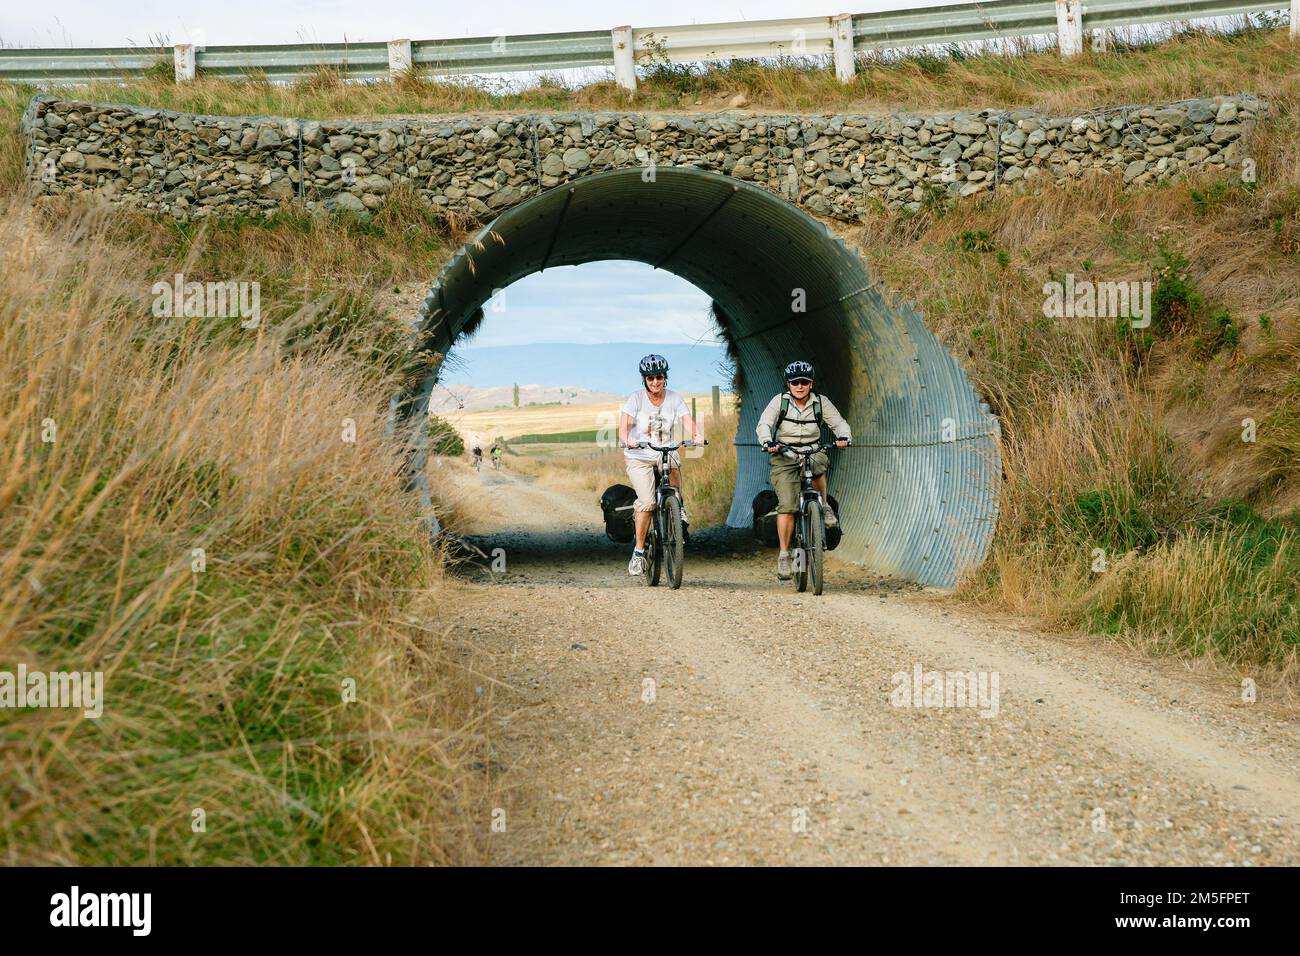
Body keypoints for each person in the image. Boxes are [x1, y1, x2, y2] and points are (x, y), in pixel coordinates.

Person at [756, 360, 851, 581]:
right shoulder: (779, 402)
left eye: (804, 382)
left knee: (818, 463)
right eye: (795, 382)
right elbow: (764, 424)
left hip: (812, 449)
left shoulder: (820, 402)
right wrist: (767, 441)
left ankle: (824, 506)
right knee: (787, 506)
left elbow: (838, 423)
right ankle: (784, 555)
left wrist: (844, 436)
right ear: (788, 384)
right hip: (785, 454)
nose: (800, 386)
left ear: (811, 383)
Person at [618, 354, 704, 576]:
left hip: (664, 449)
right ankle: (638, 553)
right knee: (647, 502)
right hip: (639, 455)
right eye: (650, 378)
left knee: (674, 463)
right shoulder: (635, 399)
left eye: (659, 377)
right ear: (644, 380)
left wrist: (696, 435)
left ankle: (678, 508)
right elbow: (623, 428)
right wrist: (627, 439)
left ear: (665, 377)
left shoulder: (675, 399)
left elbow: (687, 421)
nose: (655, 382)